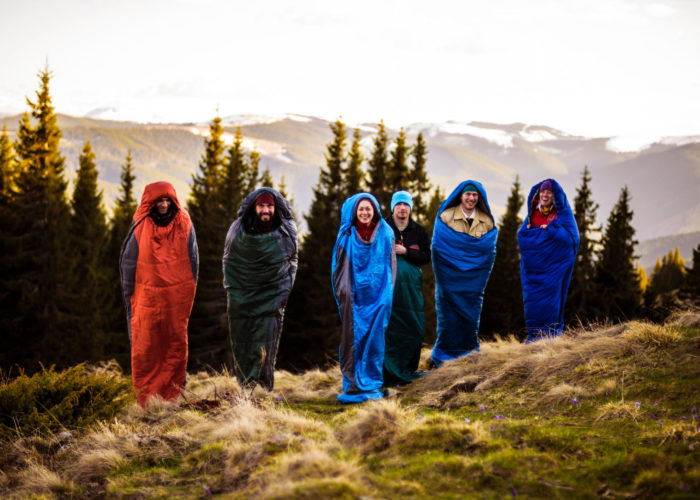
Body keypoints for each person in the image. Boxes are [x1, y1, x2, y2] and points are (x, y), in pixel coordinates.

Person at [120, 181, 199, 408]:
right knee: (147, 346)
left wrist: (187, 295)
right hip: (147, 297)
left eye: (167, 200)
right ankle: (148, 399)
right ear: (151, 202)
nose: (164, 205)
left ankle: (173, 395)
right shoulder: (141, 225)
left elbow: (193, 262)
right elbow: (129, 266)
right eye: (159, 201)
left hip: (175, 297)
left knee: (174, 343)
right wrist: (130, 300)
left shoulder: (184, 223)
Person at [223, 188, 298, 390]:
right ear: (254, 208)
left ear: (275, 208)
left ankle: (263, 391)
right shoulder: (238, 230)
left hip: (271, 296)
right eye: (261, 206)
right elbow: (229, 262)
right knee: (243, 341)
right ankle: (245, 388)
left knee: (266, 343)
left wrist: (281, 292)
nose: (265, 209)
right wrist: (236, 290)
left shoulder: (285, 231)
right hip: (242, 296)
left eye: (269, 206)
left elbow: (291, 262)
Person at [332, 193, 395, 403]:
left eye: (368, 208)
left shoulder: (386, 233)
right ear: (355, 212)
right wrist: (347, 294)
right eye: (361, 209)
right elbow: (339, 271)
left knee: (375, 341)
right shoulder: (347, 236)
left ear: (374, 210)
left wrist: (385, 296)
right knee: (353, 339)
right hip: (355, 301)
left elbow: (389, 267)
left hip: (378, 298)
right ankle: (353, 384)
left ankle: (372, 382)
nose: (365, 212)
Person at [431, 180, 497, 367]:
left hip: (472, 284)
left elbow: (488, 251)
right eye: (468, 194)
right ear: (460, 195)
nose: (471, 198)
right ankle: (445, 355)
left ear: (479, 198)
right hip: (449, 281)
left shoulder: (486, 221)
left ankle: (468, 354)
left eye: (475, 195)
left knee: (470, 316)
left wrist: (476, 274)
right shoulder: (446, 216)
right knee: (448, 317)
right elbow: (438, 248)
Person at [518, 178, 579, 342]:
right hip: (533, 272)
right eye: (543, 191)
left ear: (555, 196)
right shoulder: (533, 213)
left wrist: (551, 230)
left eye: (549, 192)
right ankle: (534, 338)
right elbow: (522, 236)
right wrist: (530, 233)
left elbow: (571, 239)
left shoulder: (560, 215)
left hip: (552, 270)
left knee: (550, 303)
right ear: (538, 195)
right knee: (532, 305)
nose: (545, 194)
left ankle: (550, 338)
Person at [383, 190, 431, 385]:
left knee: (414, 328)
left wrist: (406, 251)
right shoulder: (383, 227)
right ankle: (388, 371)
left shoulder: (418, 231)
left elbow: (426, 257)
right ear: (393, 207)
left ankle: (406, 368)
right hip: (389, 288)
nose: (402, 208)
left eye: (406, 205)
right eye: (399, 204)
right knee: (390, 328)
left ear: (410, 208)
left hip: (411, 291)